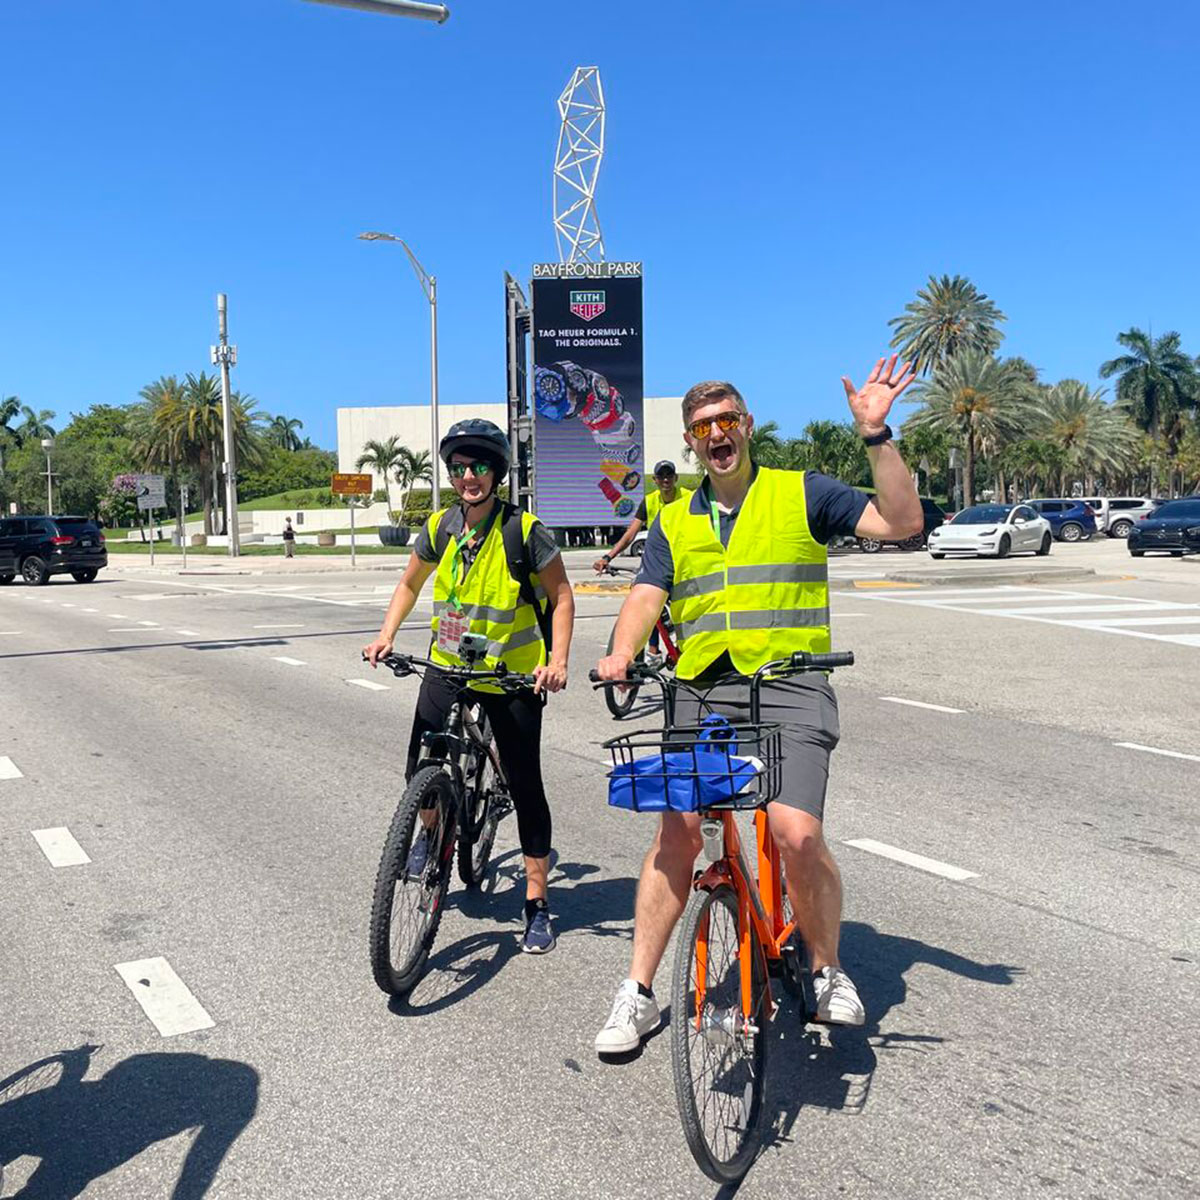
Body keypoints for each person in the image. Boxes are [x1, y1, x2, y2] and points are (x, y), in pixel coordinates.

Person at [593, 360, 922, 1053]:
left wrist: (876, 433)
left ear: (747, 427)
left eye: (728, 421)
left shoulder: (801, 493)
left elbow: (901, 520)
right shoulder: (674, 520)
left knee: (795, 830)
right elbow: (647, 596)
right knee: (676, 834)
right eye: (703, 427)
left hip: (791, 684)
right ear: (690, 442)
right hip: (702, 689)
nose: (718, 434)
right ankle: (640, 992)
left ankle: (828, 966)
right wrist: (622, 651)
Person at [363, 419, 575, 954]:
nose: (468, 477)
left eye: (479, 466)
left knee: (527, 786)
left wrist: (558, 661)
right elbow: (410, 581)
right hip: (449, 665)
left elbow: (564, 597)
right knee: (421, 763)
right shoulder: (440, 527)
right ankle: (429, 829)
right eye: (459, 468)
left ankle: (537, 903)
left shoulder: (525, 532)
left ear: (497, 472)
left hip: (511, 675)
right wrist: (386, 634)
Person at [593, 460, 694, 660]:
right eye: (661, 476)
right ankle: (653, 651)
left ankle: (687, 646)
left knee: (687, 607)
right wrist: (608, 556)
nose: (665, 480)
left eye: (669, 475)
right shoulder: (649, 501)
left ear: (675, 478)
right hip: (658, 560)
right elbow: (631, 534)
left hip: (683, 560)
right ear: (655, 480)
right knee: (648, 598)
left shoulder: (690, 499)